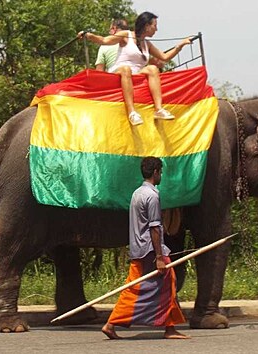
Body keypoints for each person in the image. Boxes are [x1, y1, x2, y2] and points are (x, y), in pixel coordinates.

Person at [101, 157, 189, 340]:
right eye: (161, 172)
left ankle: (169, 327)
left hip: (138, 248)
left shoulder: (137, 193)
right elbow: (155, 227)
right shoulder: (152, 195)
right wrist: (159, 256)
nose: (162, 175)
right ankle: (111, 323)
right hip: (149, 251)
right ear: (156, 172)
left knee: (166, 284)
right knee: (136, 289)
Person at [79, 12, 191, 126]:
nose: (156, 29)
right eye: (154, 26)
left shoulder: (147, 44)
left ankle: (159, 109)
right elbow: (104, 40)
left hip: (136, 74)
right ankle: (132, 112)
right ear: (147, 26)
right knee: (127, 69)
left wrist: (180, 45)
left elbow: (164, 57)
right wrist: (89, 35)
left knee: (152, 68)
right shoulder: (125, 35)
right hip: (119, 71)